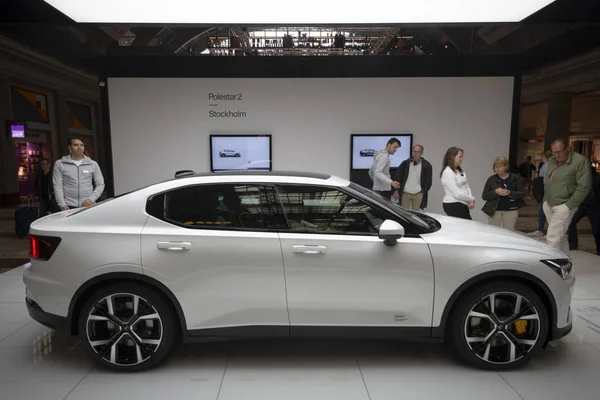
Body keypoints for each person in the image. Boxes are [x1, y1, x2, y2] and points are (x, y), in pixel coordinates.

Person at [543, 138, 592, 253]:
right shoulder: (551, 160)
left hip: (564, 205)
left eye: (559, 151)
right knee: (561, 237)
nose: (556, 155)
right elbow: (549, 181)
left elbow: (584, 186)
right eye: (553, 152)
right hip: (549, 203)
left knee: (552, 238)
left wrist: (569, 205)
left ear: (568, 148)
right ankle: (565, 265)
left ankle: (552, 268)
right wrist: (546, 200)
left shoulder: (580, 161)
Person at [53, 136, 105, 210]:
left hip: (88, 205)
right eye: (75, 145)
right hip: (68, 206)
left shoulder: (92, 164)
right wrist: (62, 204)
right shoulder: (60, 164)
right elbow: (57, 186)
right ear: (69, 147)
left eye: (82, 145)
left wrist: (91, 199)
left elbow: (100, 184)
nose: (79, 147)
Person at [481, 156, 525, 231]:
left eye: (500, 166)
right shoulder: (491, 179)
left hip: (511, 209)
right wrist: (495, 192)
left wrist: (510, 192)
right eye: (495, 166)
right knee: (493, 232)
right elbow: (484, 196)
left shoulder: (515, 178)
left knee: (509, 233)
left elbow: (521, 194)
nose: (497, 168)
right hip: (495, 210)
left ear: (506, 167)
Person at [567, 165, 600, 255]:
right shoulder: (580, 177)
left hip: (594, 206)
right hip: (582, 204)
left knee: (596, 229)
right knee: (572, 221)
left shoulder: (596, 177)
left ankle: (599, 248)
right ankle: (573, 244)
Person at [393, 144, 433, 210]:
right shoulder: (405, 163)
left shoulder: (427, 165)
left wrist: (423, 191)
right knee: (404, 213)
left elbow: (428, 180)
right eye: (414, 151)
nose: (416, 153)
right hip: (405, 192)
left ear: (422, 153)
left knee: (416, 214)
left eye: (418, 152)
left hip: (418, 193)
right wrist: (396, 190)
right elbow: (398, 177)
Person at [440, 147, 475, 219]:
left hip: (462, 204)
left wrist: (470, 200)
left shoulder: (461, 170)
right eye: (459, 157)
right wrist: (471, 199)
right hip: (453, 204)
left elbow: (466, 186)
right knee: (466, 227)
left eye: (462, 157)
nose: (461, 159)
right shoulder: (447, 172)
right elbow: (457, 194)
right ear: (452, 157)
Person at [529, 151, 553, 237]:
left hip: (545, 190)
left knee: (545, 210)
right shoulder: (544, 165)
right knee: (542, 210)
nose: (541, 158)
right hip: (542, 189)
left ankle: (544, 230)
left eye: (543, 156)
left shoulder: (549, 166)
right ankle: (541, 229)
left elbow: (546, 179)